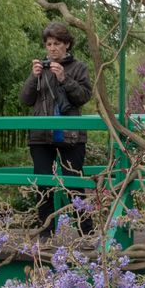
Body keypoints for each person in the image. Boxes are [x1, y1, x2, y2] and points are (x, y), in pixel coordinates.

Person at [19, 21, 93, 237]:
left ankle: (86, 233)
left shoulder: (79, 68)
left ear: (67, 44)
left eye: (57, 43)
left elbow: (83, 97)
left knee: (74, 185)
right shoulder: (40, 69)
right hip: (41, 135)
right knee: (43, 185)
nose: (52, 48)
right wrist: (33, 77)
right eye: (49, 44)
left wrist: (64, 78)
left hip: (71, 134)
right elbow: (25, 99)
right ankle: (45, 233)